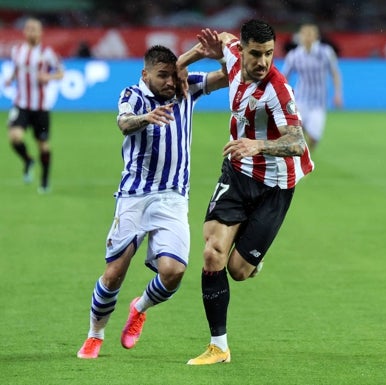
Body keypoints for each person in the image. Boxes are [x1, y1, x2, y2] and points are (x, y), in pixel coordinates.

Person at [76, 43, 228, 359]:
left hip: (173, 197)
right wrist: (147, 117)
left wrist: (213, 53)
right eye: (163, 76)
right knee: (115, 272)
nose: (171, 82)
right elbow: (124, 123)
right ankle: (95, 334)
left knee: (173, 272)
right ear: (145, 74)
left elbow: (229, 77)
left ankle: (140, 306)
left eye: (173, 75)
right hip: (134, 196)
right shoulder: (133, 95)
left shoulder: (188, 86)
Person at [185, 19, 314, 365]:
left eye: (269, 54)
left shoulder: (278, 89)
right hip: (238, 171)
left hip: (275, 185)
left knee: (239, 270)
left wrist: (258, 145)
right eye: (256, 53)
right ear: (241, 50)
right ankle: (219, 346)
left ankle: (252, 258)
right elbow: (224, 38)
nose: (263, 61)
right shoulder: (230, 53)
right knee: (212, 253)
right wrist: (203, 53)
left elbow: (297, 141)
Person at [4, 17, 64, 193]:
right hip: (21, 104)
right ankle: (28, 160)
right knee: (15, 137)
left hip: (40, 107)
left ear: (40, 32)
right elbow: (17, 68)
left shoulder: (47, 53)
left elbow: (61, 72)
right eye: (28, 29)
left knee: (43, 145)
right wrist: (11, 78)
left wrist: (49, 77)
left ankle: (44, 180)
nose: (30, 32)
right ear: (24, 32)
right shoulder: (17, 50)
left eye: (34, 29)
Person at [281, 23, 343, 152]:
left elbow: (335, 73)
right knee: (297, 131)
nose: (307, 37)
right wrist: (281, 96)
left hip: (319, 102)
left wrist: (338, 94)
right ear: (300, 36)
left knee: (314, 136)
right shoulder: (294, 55)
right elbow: (284, 77)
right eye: (305, 34)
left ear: (316, 36)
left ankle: (308, 152)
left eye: (310, 34)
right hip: (300, 99)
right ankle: (301, 156)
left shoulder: (325, 52)